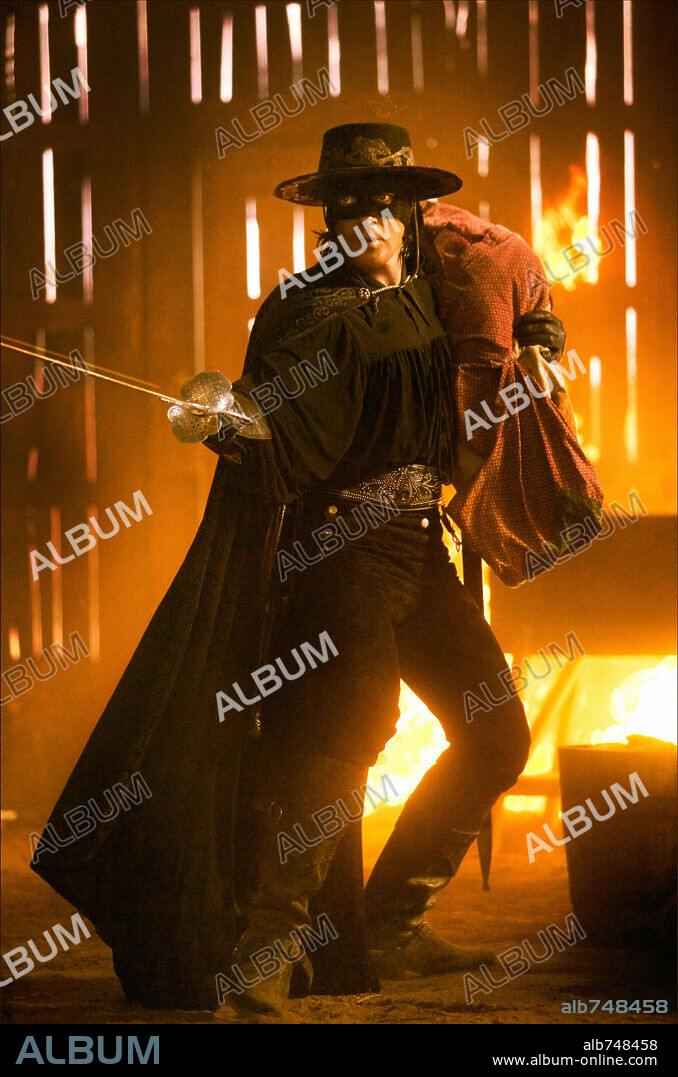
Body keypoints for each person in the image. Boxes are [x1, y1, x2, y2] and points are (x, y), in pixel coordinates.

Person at [31, 124, 603, 1017]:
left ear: (411, 212)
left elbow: (517, 268)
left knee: (494, 732)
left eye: (382, 205)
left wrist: (539, 329)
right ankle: (267, 946)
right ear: (328, 218)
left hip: (422, 548)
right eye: (347, 209)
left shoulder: (432, 281)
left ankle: (392, 920)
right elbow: (279, 432)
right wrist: (225, 417)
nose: (365, 223)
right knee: (347, 728)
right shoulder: (304, 311)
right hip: (341, 552)